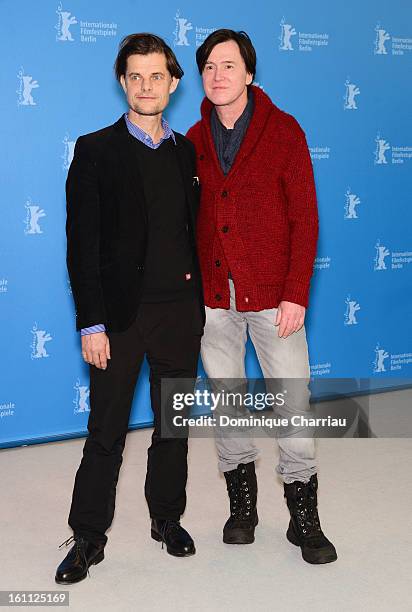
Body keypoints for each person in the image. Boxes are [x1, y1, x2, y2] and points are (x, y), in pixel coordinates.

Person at [55, 32, 205, 585]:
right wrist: (91, 324)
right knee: (106, 432)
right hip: (118, 321)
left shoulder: (185, 151)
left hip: (179, 316)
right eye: (136, 76)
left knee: (174, 426)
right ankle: (89, 536)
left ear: (173, 82)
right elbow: (81, 245)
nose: (146, 86)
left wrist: (198, 309)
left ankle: (166, 519)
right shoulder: (95, 150)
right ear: (123, 83)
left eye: (157, 76)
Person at [186, 29, 337, 564]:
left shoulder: (284, 131)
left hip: (275, 299)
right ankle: (242, 509)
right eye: (208, 67)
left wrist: (296, 292)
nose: (218, 75)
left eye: (229, 65)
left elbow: (306, 217)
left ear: (249, 74)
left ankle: (304, 519)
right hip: (213, 299)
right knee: (227, 404)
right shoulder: (192, 139)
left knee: (292, 404)